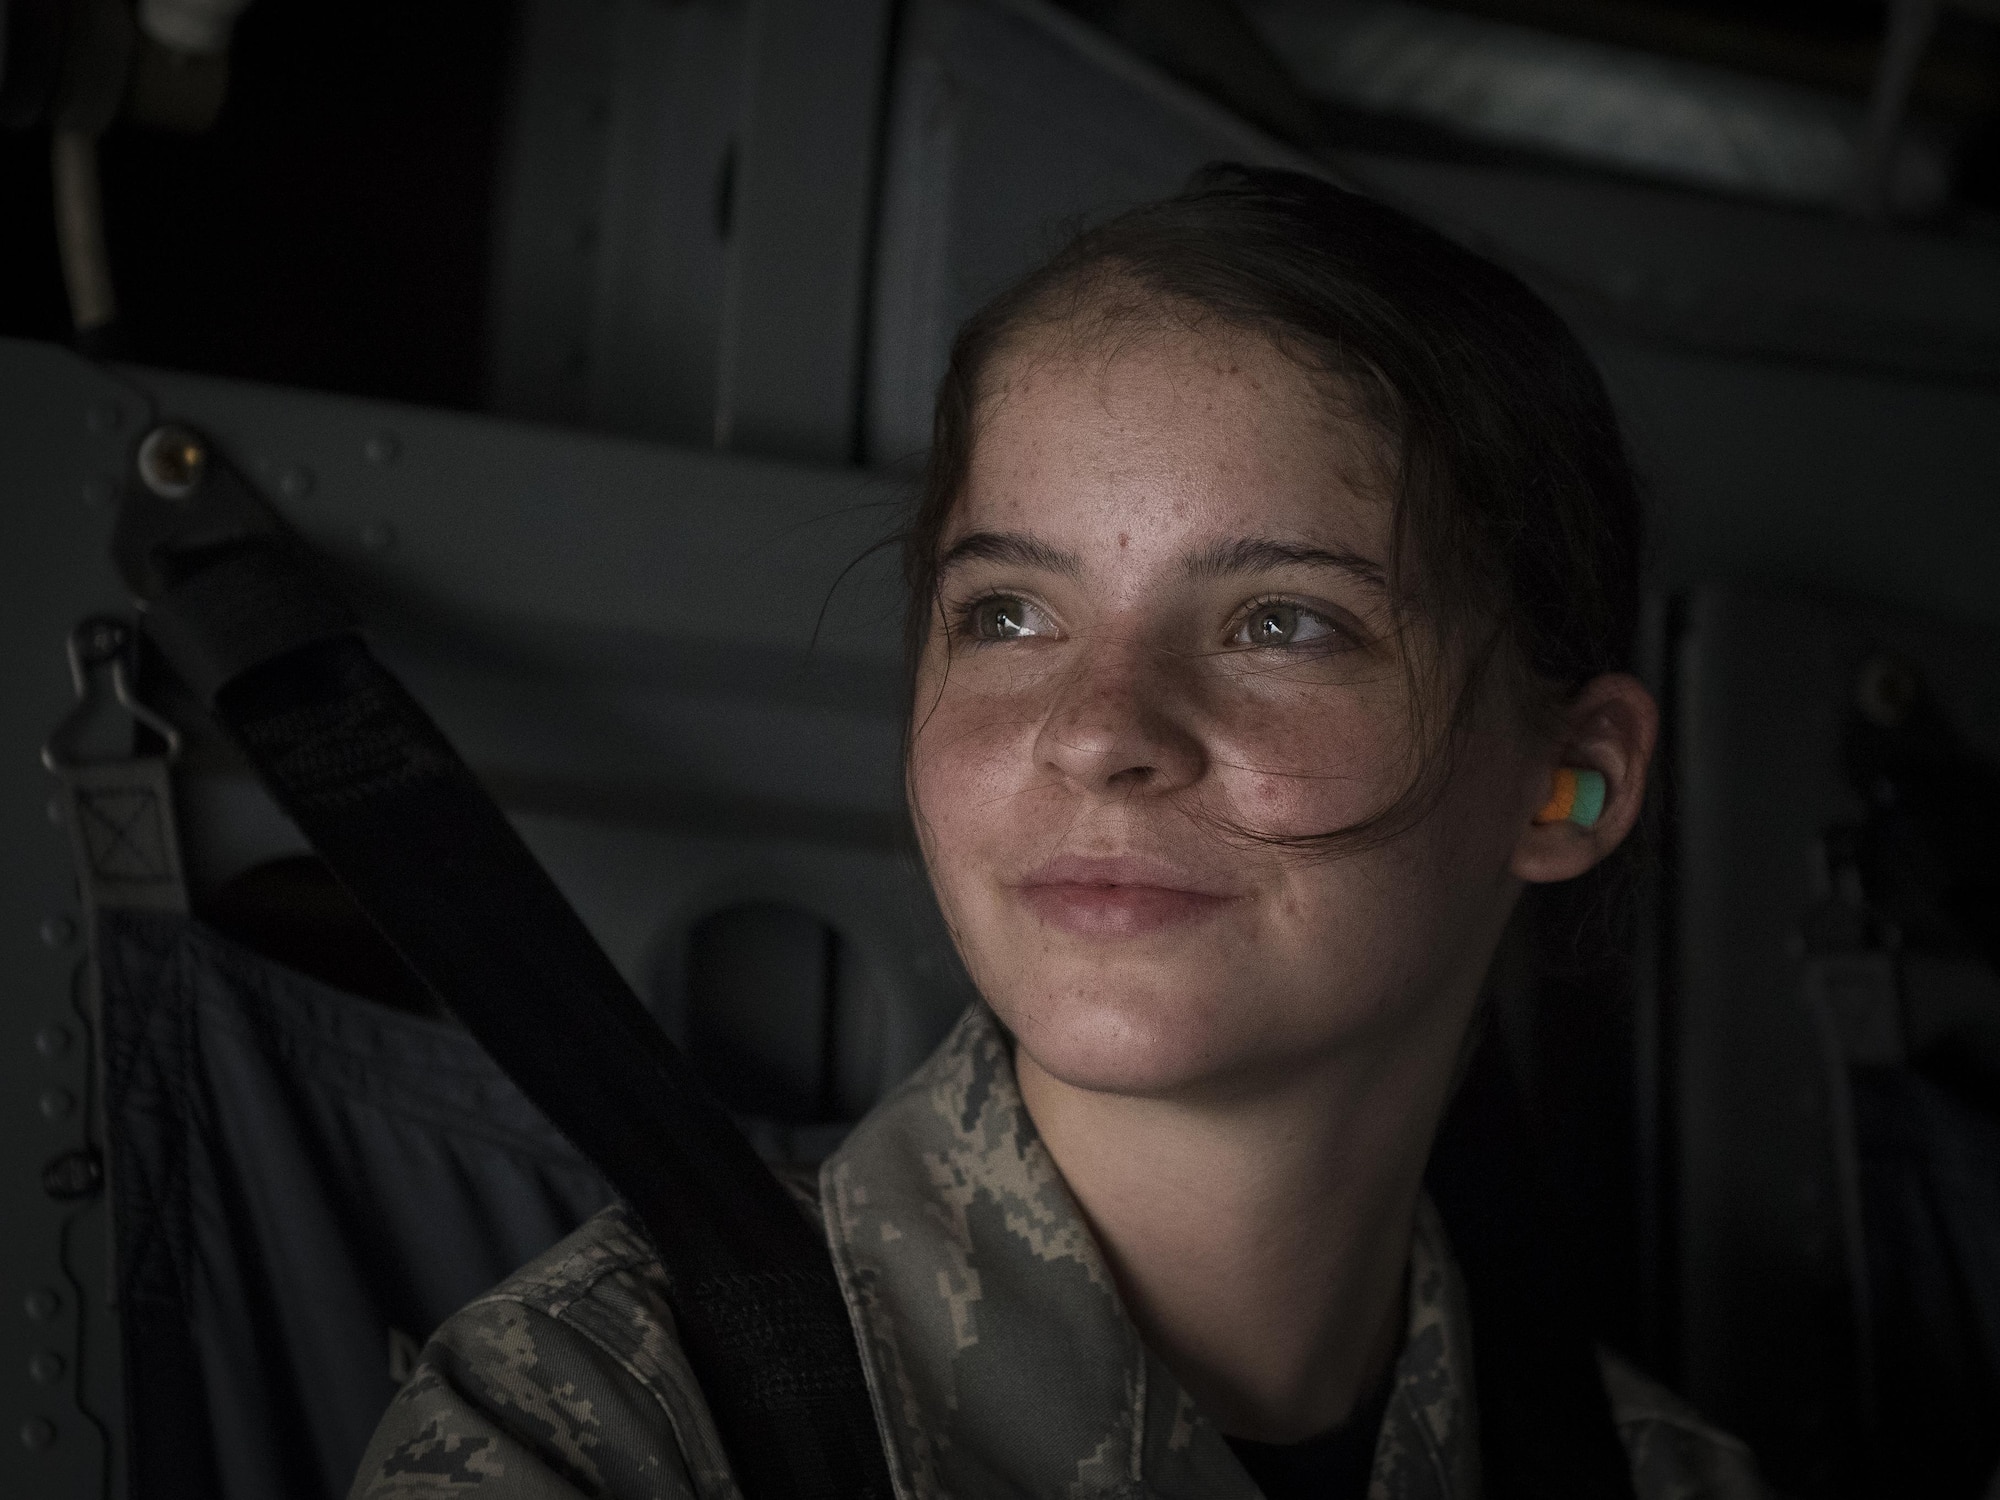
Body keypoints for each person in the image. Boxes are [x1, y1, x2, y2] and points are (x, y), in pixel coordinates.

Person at [349, 165, 1765, 1500]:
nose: (1097, 728)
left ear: (1569, 782)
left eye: (1283, 622)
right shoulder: (601, 1438)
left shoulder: (1667, 1481)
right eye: (1008, 614)